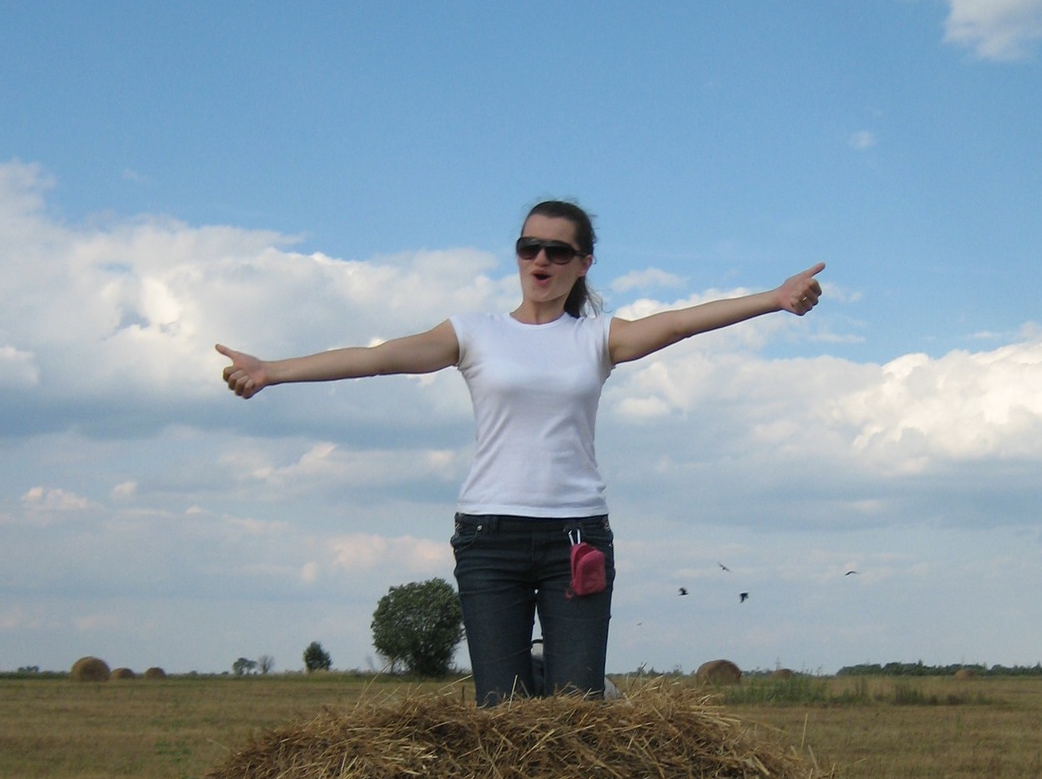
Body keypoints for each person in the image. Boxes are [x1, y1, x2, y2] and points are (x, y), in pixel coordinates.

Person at [216, 201, 823, 705]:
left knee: (576, 708)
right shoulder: (474, 333)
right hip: (489, 539)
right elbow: (377, 359)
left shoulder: (596, 338)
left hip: (577, 538)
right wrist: (272, 370)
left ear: (583, 264)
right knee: (499, 710)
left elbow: (680, 323)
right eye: (529, 247)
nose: (541, 260)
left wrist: (774, 298)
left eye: (557, 251)